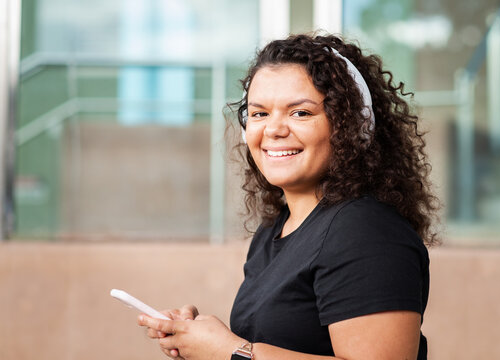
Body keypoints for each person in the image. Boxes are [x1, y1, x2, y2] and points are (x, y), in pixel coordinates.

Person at [138, 33, 439, 360]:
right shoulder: (275, 230)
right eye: (259, 113)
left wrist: (233, 352)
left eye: (300, 113)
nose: (274, 129)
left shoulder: (366, 232)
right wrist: (198, 341)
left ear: (349, 126)